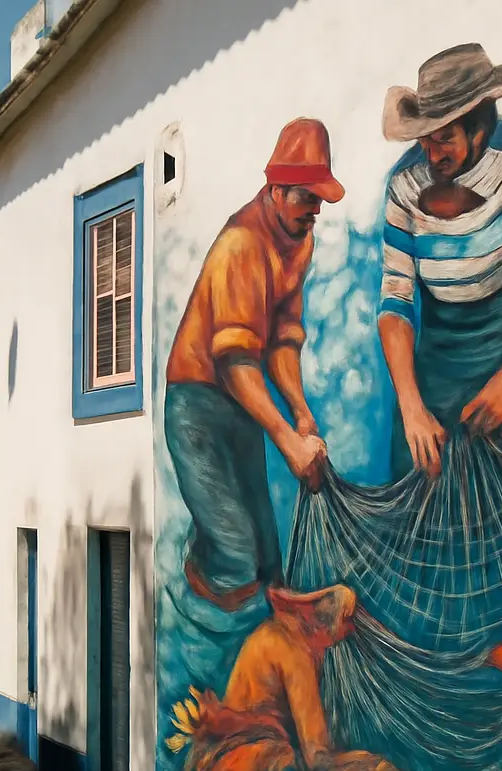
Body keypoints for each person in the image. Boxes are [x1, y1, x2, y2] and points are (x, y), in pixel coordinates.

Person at [165, 118, 343, 611]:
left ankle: (269, 661)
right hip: (197, 402)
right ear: (278, 190)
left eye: (320, 200)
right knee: (236, 559)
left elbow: (282, 341)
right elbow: (236, 360)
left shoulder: (299, 240)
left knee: (268, 564)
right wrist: (288, 441)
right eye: (308, 197)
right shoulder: (241, 245)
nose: (315, 211)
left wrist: (301, 411)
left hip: (241, 403)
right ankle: (194, 612)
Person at [379, 43, 502, 479]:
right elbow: (396, 302)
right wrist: (411, 407)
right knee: (421, 517)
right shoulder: (403, 186)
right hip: (431, 374)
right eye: (425, 137)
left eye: (445, 137)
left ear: (479, 127)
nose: (432, 152)